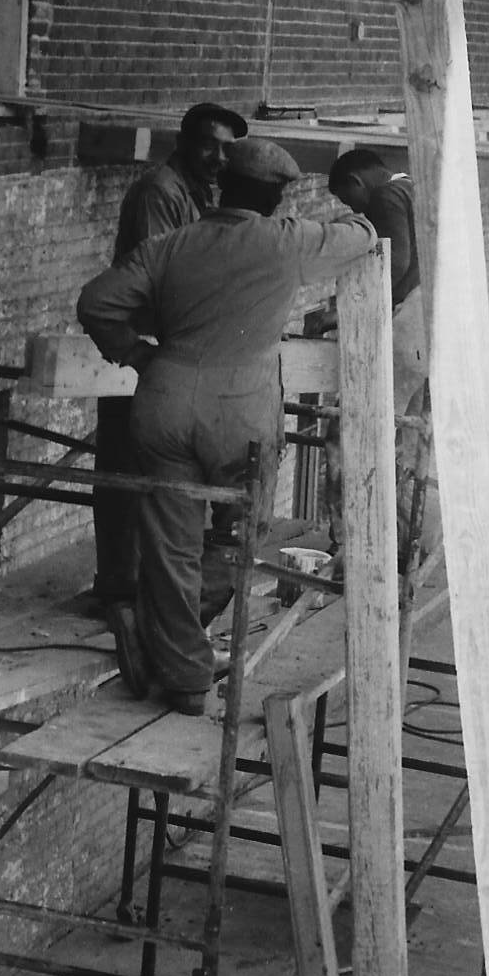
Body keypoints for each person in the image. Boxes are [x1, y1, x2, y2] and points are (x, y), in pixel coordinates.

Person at [76, 138, 379, 712]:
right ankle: (166, 635)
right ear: (278, 197)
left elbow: (97, 302)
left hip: (163, 404)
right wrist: (369, 212)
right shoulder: (286, 240)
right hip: (241, 417)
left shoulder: (170, 245)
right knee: (242, 535)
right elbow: (359, 239)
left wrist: (137, 355)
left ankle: (185, 674)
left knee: (170, 544)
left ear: (220, 185)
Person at [89, 102, 249, 604]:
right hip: (150, 356)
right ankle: (122, 590)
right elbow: (167, 277)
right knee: (130, 476)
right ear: (183, 142)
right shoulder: (160, 192)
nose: (219, 158)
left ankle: (144, 592)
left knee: (161, 481)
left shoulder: (200, 195)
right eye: (210, 145)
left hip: (177, 355)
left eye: (229, 150)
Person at [327, 147, 437, 580]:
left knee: (356, 426)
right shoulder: (416, 191)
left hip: (407, 323)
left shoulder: (386, 197)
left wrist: (356, 309)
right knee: (408, 443)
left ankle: (351, 543)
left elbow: (397, 263)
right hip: (428, 326)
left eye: (346, 199)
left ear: (357, 181)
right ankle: (411, 547)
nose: (352, 208)